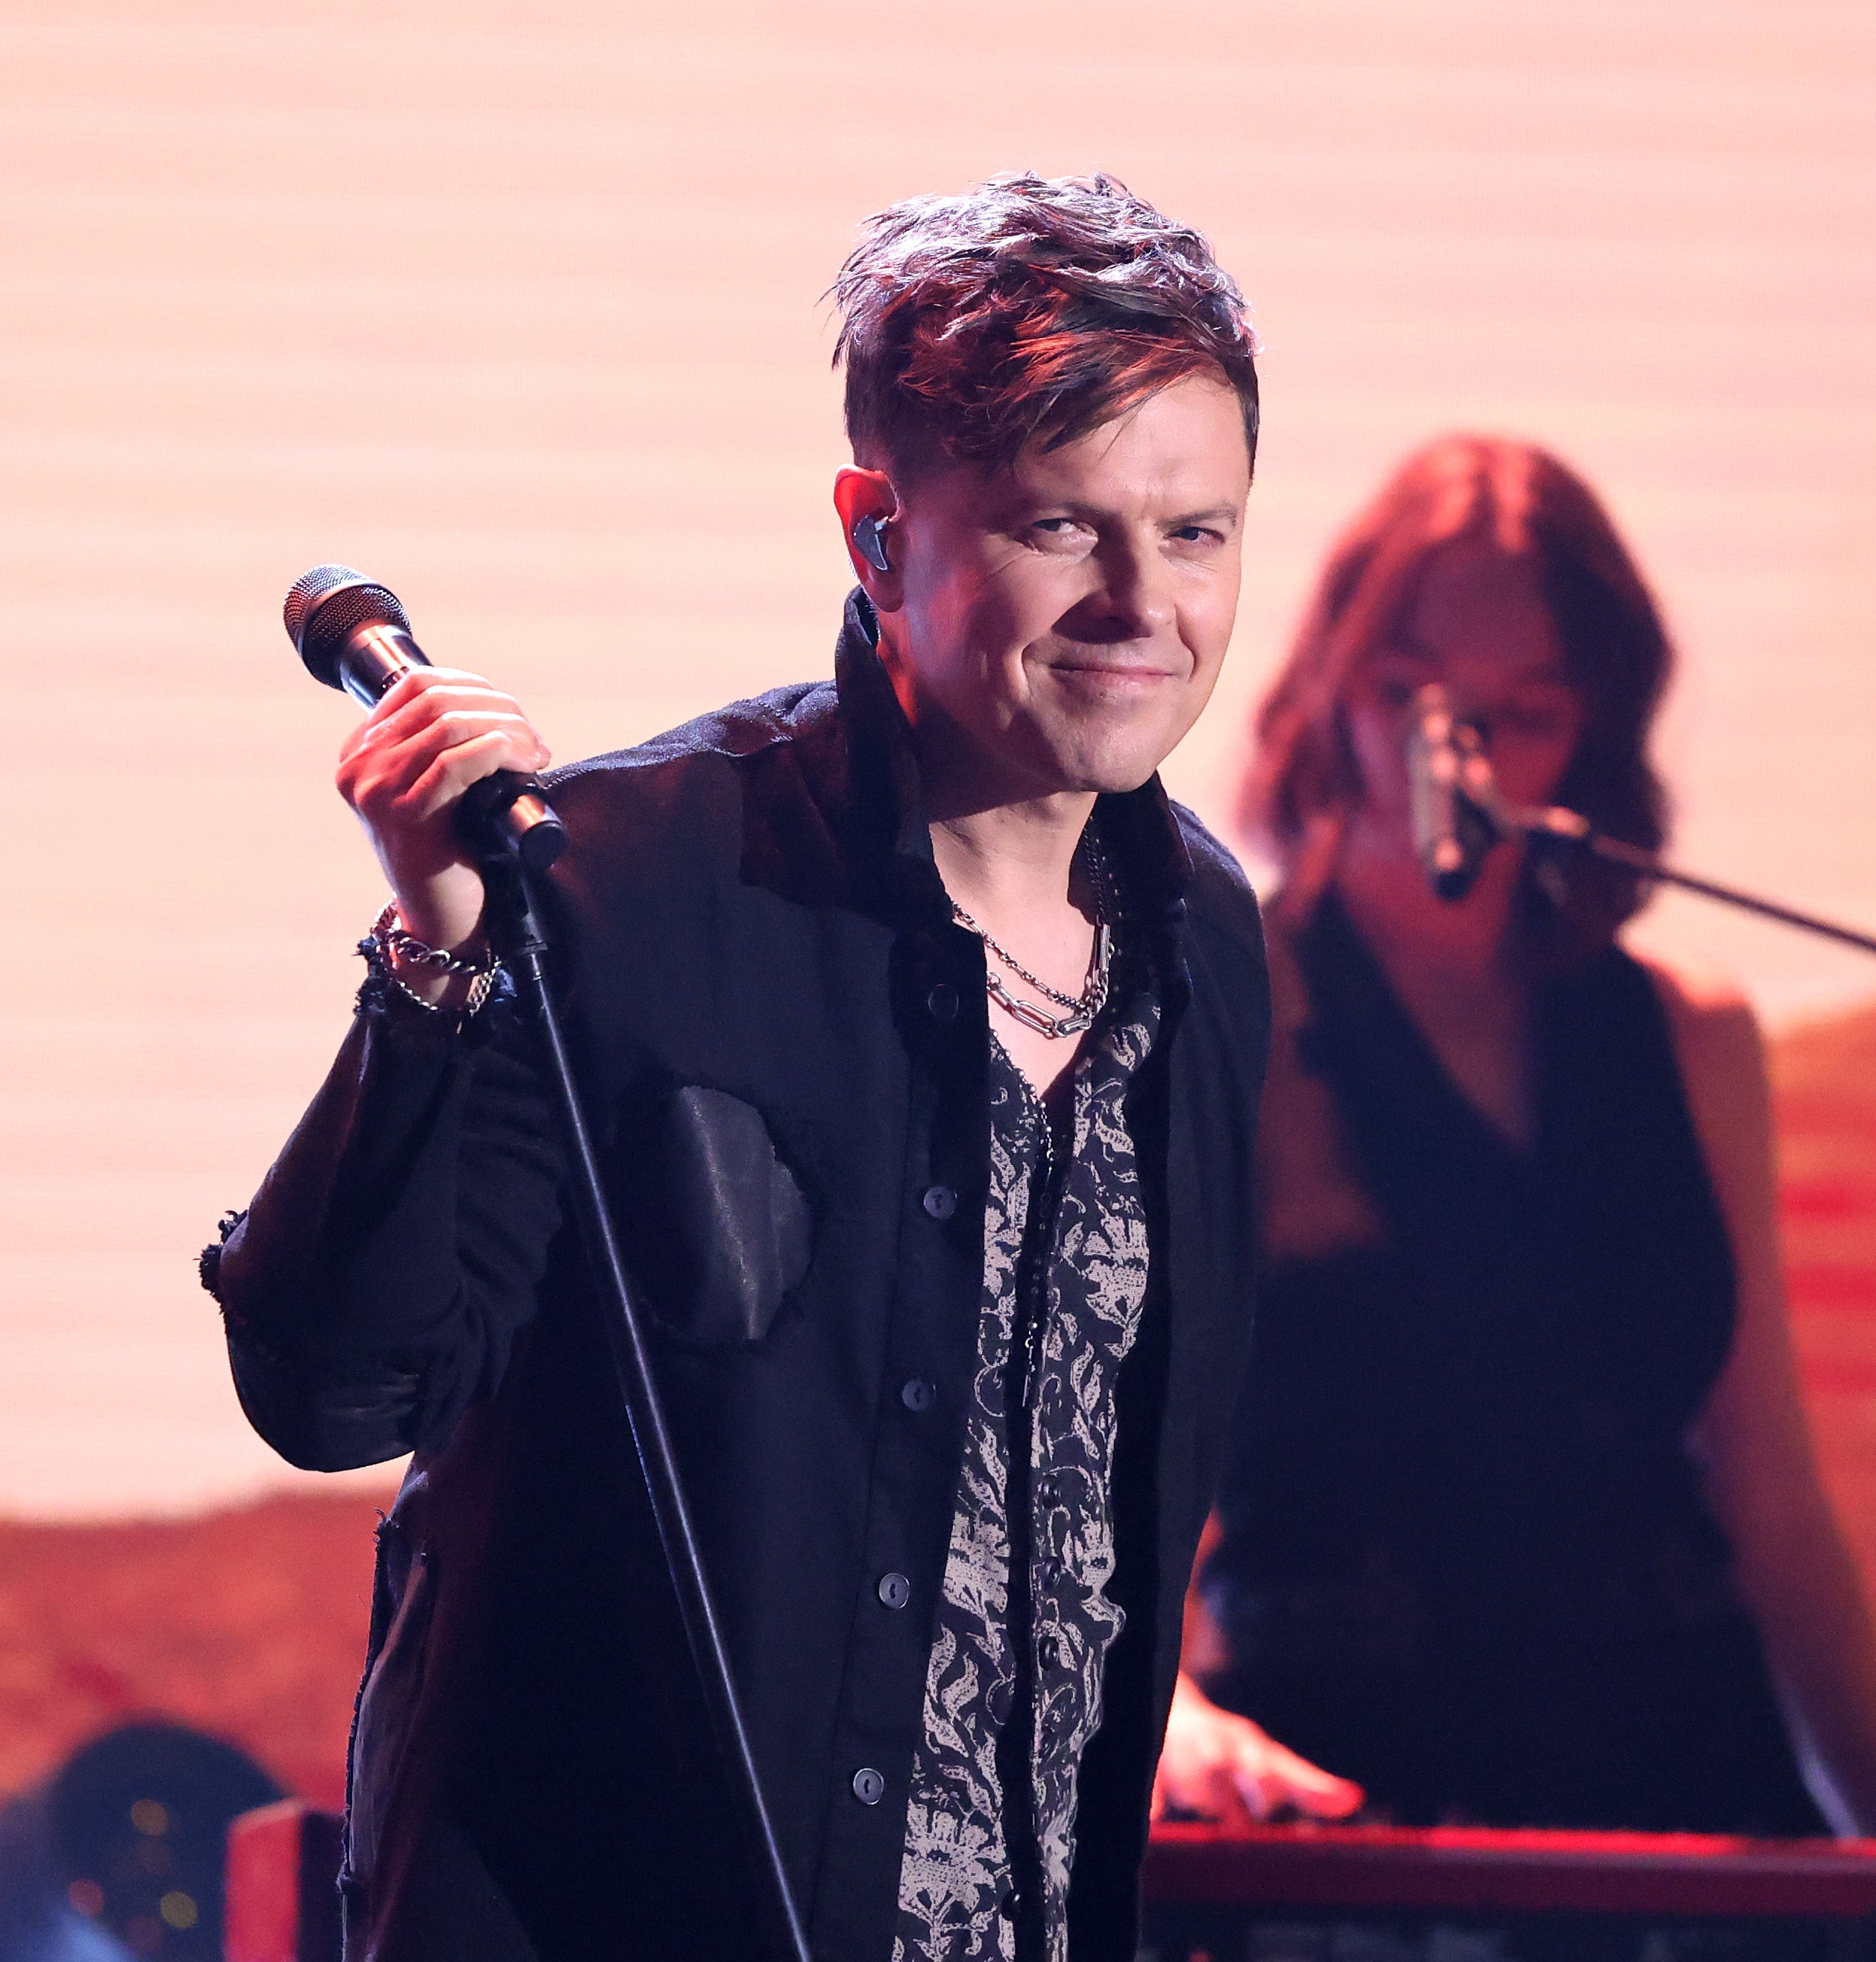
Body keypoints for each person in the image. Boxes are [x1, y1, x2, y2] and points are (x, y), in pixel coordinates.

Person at [204, 173, 1272, 1960]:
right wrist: (438, 954)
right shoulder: (621, 882)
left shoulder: (1204, 942)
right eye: (1056, 528)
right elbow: (331, 1388)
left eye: (1193, 534)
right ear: (877, 534)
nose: (1135, 602)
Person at [1151, 435, 1876, 1839]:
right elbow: (1098, 1485)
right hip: (1346, 1803)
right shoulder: (1216, 1011)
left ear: (1593, 730)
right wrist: (1169, 1718)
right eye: (1406, 695)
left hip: (1682, 1782)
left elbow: (1770, 1500)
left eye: (1520, 710)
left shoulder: (1688, 1035)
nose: (1448, 752)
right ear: (1328, 687)